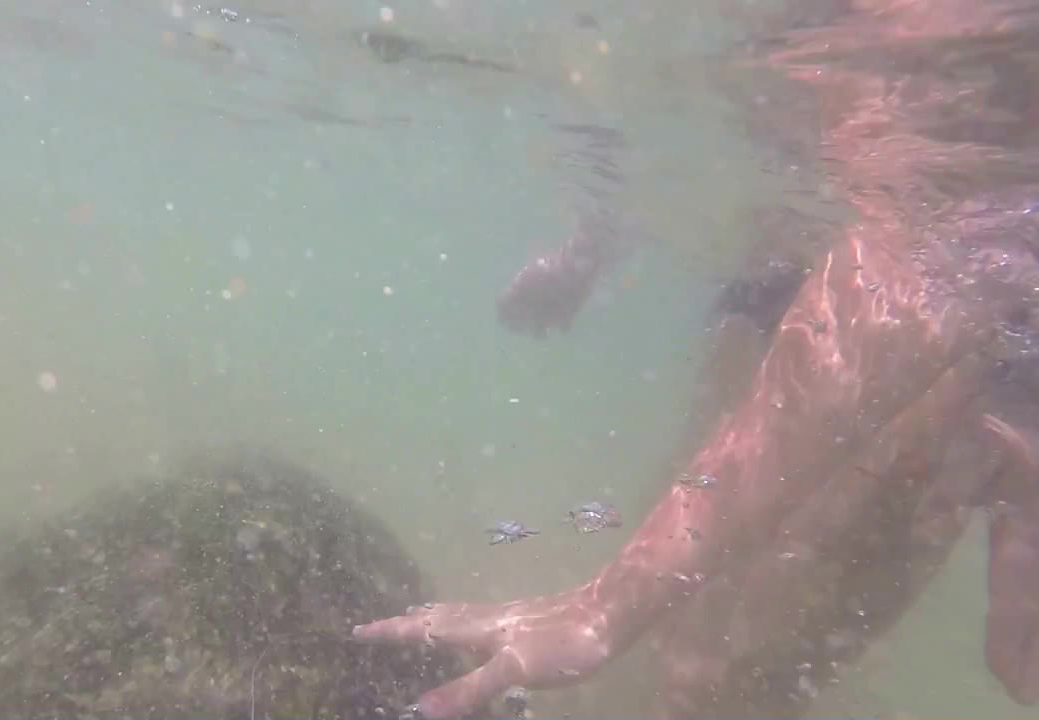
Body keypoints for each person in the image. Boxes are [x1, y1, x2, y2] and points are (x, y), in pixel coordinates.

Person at [352, 1, 1039, 717]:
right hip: (859, 315)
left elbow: (953, 254)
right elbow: (951, 250)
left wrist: (602, 612)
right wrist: (591, 245)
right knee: (696, 668)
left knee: (719, 681)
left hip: (937, 348)